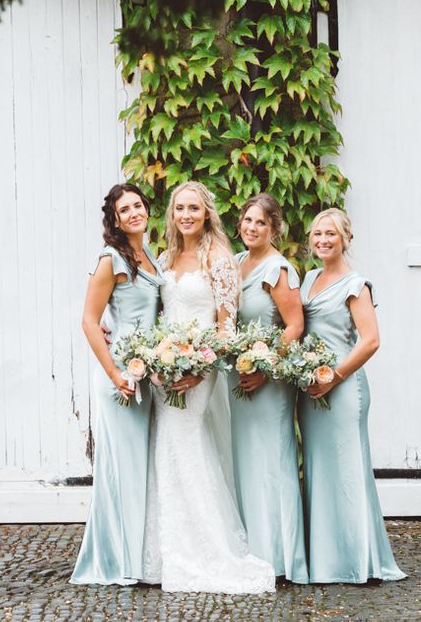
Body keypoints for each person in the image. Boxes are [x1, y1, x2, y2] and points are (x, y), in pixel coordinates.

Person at [141, 181, 275, 594]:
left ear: (206, 213)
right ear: (172, 213)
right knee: (166, 443)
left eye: (193, 208)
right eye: (179, 207)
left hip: (202, 366)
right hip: (167, 365)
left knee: (184, 440)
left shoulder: (217, 257)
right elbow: (159, 312)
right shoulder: (163, 257)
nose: (186, 215)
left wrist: (201, 366)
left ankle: (206, 549)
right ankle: (164, 551)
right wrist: (156, 357)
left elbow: (226, 323)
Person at [298, 208, 406, 584]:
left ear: (345, 239)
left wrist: (335, 376)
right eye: (317, 234)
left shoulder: (356, 284)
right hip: (311, 391)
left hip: (343, 390)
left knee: (347, 471)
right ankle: (325, 560)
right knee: (319, 470)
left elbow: (371, 340)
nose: (323, 240)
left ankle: (358, 560)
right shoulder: (308, 277)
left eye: (330, 234)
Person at [71, 184, 163, 586]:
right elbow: (90, 321)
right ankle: (118, 562)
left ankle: (138, 557)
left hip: (147, 374)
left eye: (138, 205)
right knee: (122, 469)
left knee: (140, 468)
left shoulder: (150, 258)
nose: (133, 213)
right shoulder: (109, 260)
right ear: (115, 219)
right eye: (124, 210)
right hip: (120, 378)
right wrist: (115, 373)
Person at [229, 194, 308, 584]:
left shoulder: (280, 269)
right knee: (245, 463)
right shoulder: (238, 263)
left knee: (271, 464)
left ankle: (278, 557)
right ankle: (249, 550)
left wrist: (265, 367)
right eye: (247, 220)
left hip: (269, 382)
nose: (251, 228)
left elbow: (294, 325)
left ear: (275, 228)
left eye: (260, 222)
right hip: (237, 378)